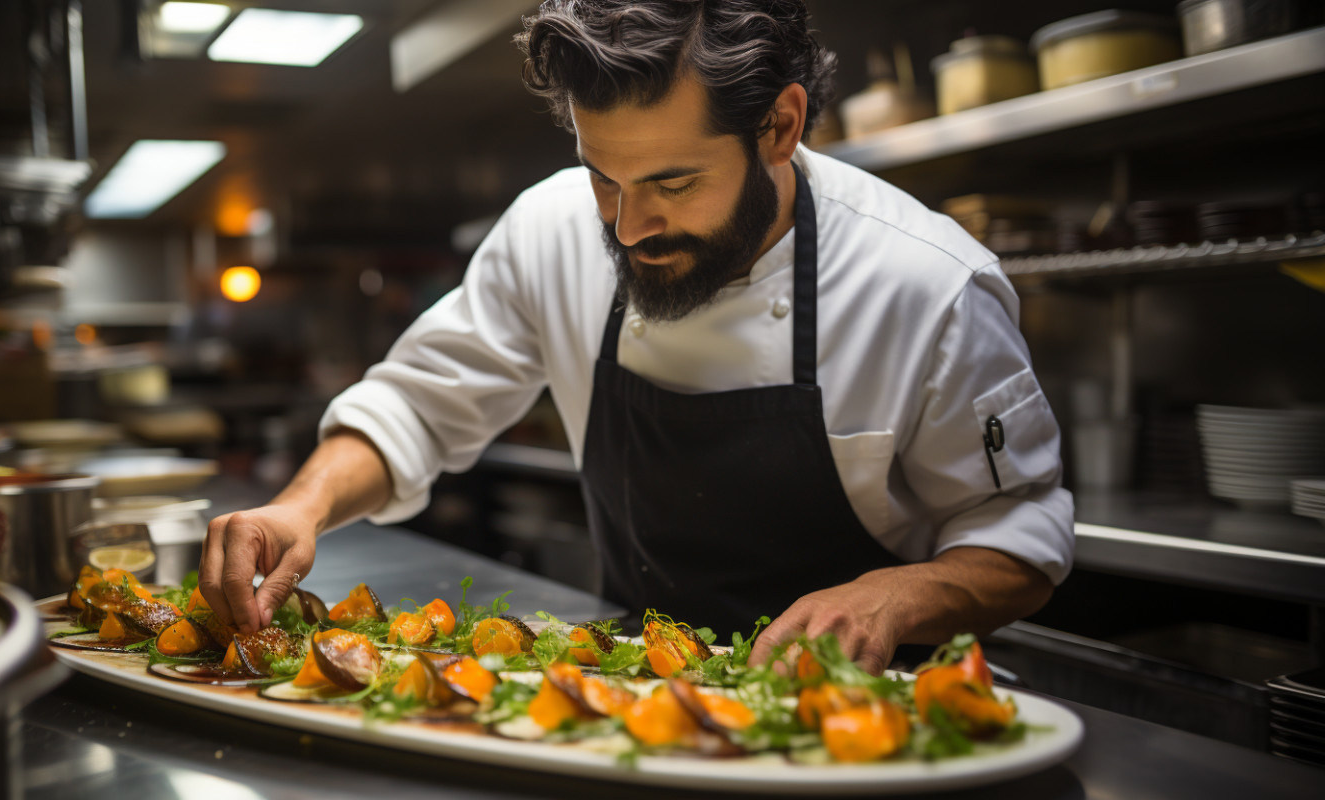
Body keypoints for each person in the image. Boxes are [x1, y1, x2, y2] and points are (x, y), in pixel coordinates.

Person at [199, 0, 1074, 676]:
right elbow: (416, 406)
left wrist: (896, 595)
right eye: (601, 178)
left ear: (779, 126)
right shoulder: (550, 229)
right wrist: (301, 507)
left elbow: (1022, 534)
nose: (626, 227)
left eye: (673, 182)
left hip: (866, 727)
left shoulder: (924, 284)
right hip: (636, 704)